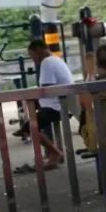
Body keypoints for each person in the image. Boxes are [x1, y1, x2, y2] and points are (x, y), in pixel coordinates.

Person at [18, 39, 74, 172]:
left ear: (38, 50)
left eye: (32, 55)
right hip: (63, 103)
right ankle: (51, 154)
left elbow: (46, 88)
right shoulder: (55, 59)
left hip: (56, 107)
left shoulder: (46, 62)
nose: (33, 59)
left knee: (31, 127)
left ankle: (55, 152)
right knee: (33, 120)